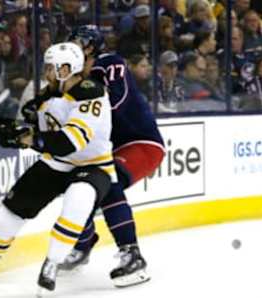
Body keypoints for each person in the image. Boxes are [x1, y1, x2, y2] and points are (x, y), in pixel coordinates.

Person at [0, 42, 116, 294]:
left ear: (65, 69)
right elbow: (33, 123)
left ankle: (52, 263)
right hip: (56, 163)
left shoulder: (90, 93)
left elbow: (67, 143)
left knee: (79, 198)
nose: (47, 71)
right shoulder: (48, 94)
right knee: (13, 207)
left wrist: (28, 139)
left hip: (93, 165)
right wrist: (6, 126)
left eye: (51, 67)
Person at [23, 25, 165, 287]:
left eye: (79, 44)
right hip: (112, 147)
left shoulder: (109, 63)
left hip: (140, 142)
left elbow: (117, 100)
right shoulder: (70, 80)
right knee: (82, 188)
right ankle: (84, 242)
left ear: (92, 48)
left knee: (109, 184)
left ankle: (132, 254)